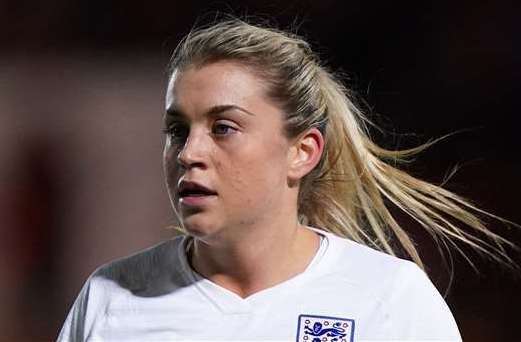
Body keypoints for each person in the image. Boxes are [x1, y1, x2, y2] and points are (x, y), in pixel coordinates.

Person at [57, 18, 517, 341]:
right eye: (177, 130)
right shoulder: (110, 299)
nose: (190, 153)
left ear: (302, 151)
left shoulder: (388, 299)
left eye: (224, 128)